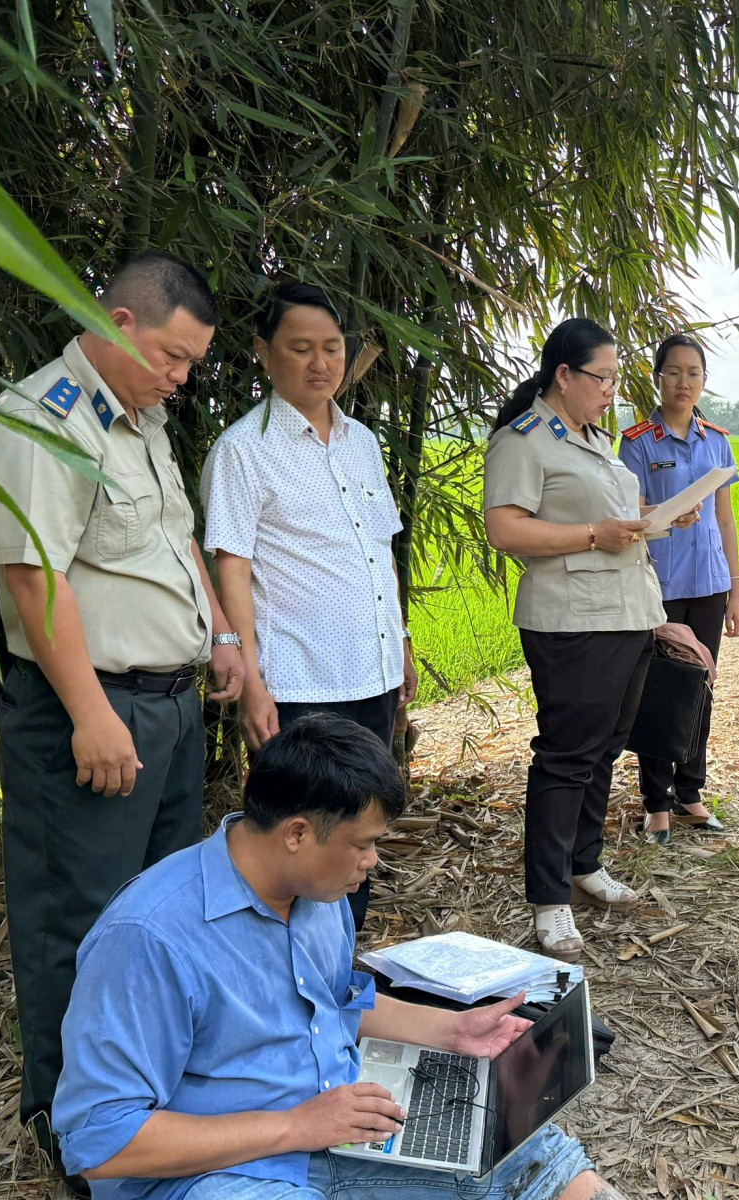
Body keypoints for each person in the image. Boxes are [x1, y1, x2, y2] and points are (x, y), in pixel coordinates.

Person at [52, 713, 633, 1200]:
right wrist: (295, 1126)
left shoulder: (316, 890)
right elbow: (100, 1141)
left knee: (551, 1168)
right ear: (298, 832)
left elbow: (332, 1004)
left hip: (342, 1123)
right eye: (363, 843)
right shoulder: (149, 937)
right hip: (218, 1170)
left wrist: (452, 1030)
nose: (372, 861)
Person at [0, 250, 245, 1186]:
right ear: (118, 323)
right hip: (93, 714)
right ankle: (73, 1126)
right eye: (171, 357)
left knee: (162, 918)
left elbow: (171, 544)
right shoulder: (42, 419)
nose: (178, 378)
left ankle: (144, 1099)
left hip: (166, 712)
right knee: (78, 924)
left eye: (190, 365)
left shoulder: (144, 423)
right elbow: (33, 574)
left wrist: (217, 636)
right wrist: (89, 714)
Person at [484, 318, 708, 959]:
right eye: (602, 378)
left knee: (606, 747)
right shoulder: (523, 440)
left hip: (627, 613)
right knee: (565, 757)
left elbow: (610, 526)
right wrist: (595, 535)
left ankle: (585, 863)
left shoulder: (594, 437)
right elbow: (506, 530)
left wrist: (653, 522)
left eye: (614, 378)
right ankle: (549, 898)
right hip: (572, 622)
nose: (612, 390)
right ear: (564, 375)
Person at [202, 282, 417, 931]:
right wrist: (252, 683)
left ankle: (336, 970)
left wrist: (400, 640)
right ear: (263, 352)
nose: (320, 362)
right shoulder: (244, 449)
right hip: (299, 688)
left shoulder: (362, 443)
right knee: (298, 846)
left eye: (331, 347)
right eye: (301, 348)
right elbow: (230, 566)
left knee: (356, 839)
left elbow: (379, 551)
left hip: (372, 678)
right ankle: (278, 980)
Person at [616, 334, 739, 844]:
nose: (683, 382)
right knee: (658, 690)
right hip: (659, 586)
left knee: (700, 687)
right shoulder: (638, 441)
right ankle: (656, 803)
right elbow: (628, 513)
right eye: (673, 372)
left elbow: (727, 520)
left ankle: (691, 794)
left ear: (704, 380)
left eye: (693, 373)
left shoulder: (718, 440)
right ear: (657, 378)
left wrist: (736, 589)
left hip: (708, 583)